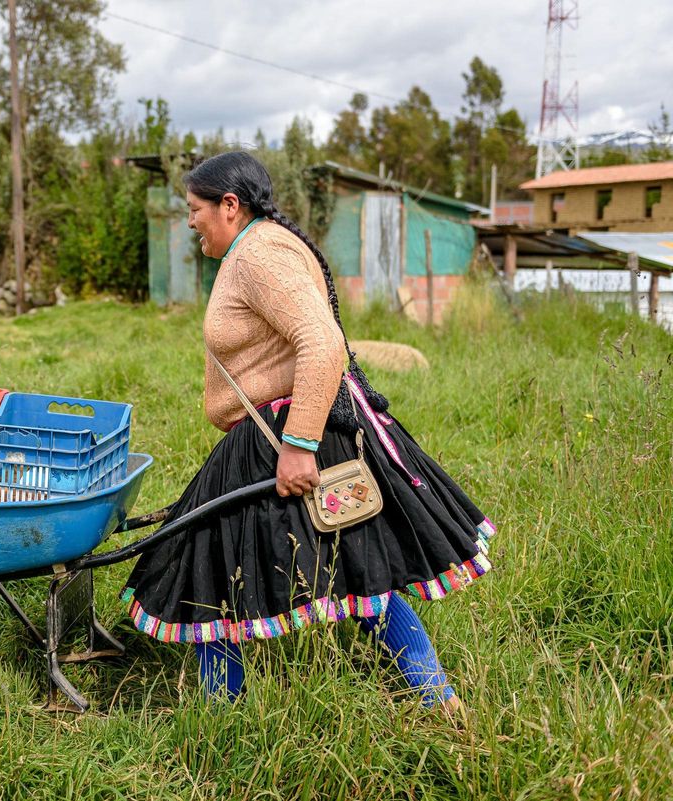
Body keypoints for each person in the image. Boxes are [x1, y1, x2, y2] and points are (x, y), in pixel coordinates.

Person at [121, 151, 494, 715]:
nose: (190, 220)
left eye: (195, 209)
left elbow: (322, 342)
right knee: (353, 563)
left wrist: (297, 445)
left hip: (289, 432)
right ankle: (436, 699)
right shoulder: (255, 248)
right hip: (283, 427)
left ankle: (225, 716)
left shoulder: (261, 254)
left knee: (213, 567)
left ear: (230, 205)